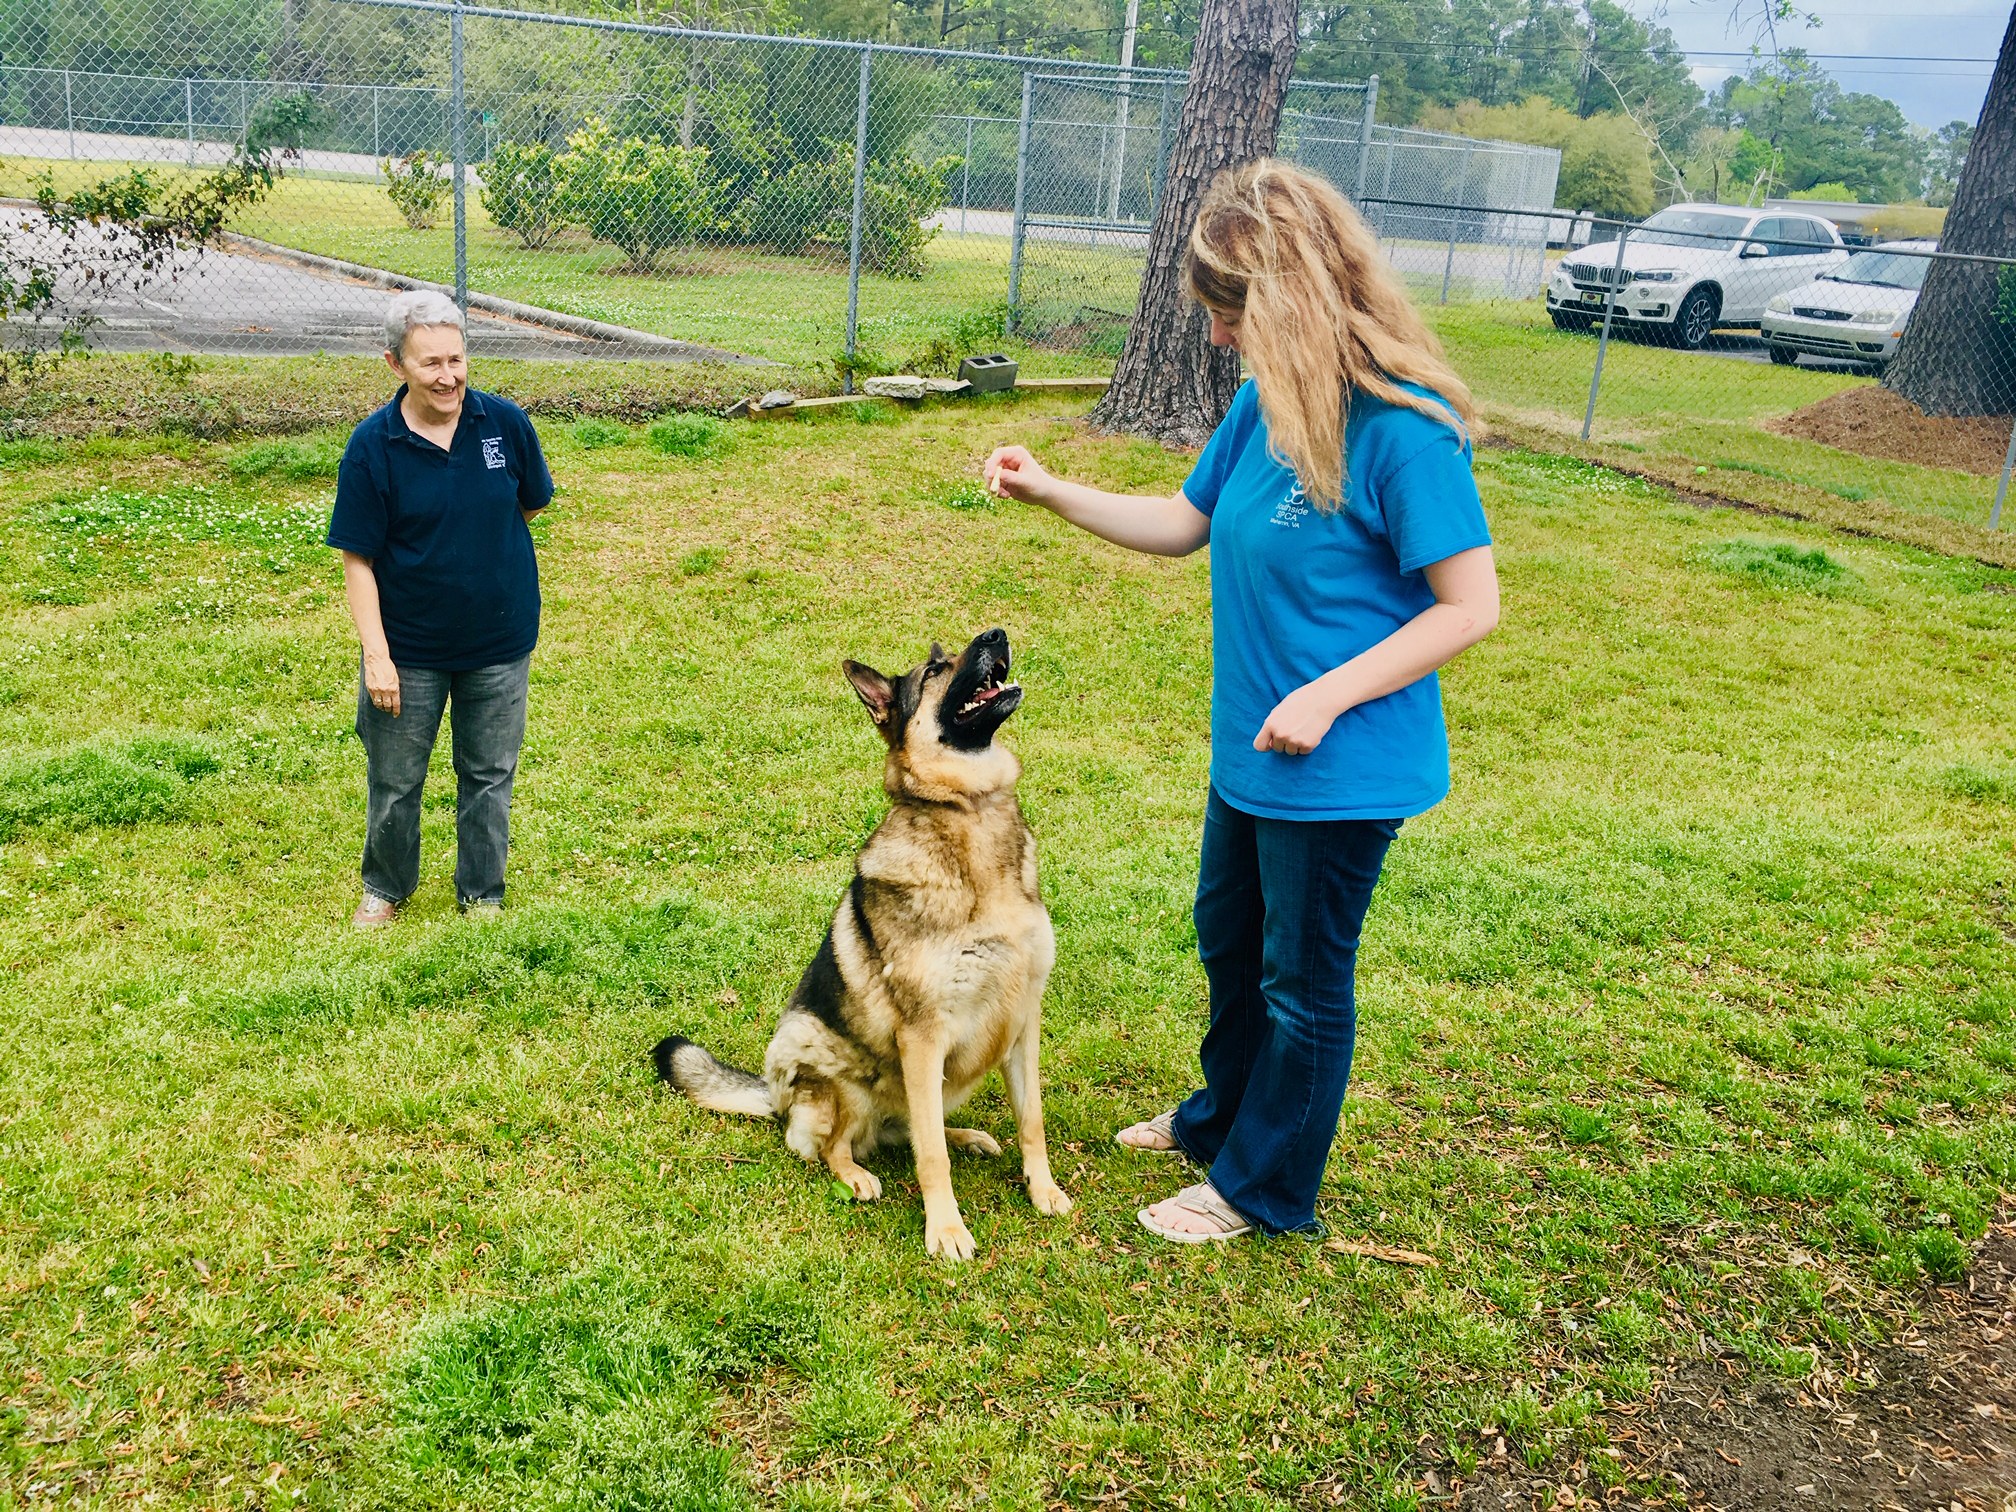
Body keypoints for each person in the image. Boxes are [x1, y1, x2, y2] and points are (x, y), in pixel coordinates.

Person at [982, 160, 1500, 1243]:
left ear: (1286, 299)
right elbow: (1183, 523)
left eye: (1227, 313)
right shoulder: (1269, 407)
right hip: (1252, 752)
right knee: (1229, 940)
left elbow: (1468, 606)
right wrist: (1047, 490)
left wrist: (1329, 696)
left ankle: (1264, 1188)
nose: (1216, 338)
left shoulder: (1404, 429)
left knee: (1303, 983)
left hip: (1340, 765)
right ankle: (1221, 1119)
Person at [327, 290, 554, 928]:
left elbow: (528, 504)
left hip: (499, 641)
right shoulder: (373, 446)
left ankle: (482, 895)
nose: (447, 375)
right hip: (409, 650)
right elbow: (358, 560)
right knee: (396, 781)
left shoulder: (505, 424)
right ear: (396, 365)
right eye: (430, 363)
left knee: (488, 776)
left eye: (456, 359)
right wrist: (378, 655)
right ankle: (386, 887)